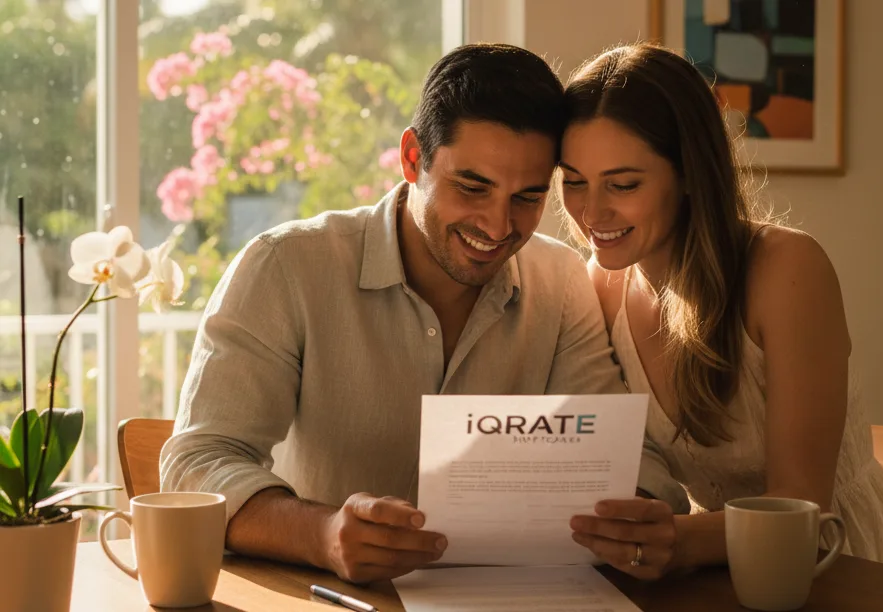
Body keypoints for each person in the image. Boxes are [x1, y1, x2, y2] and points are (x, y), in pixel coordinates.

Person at [161, 43, 681, 585]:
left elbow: (625, 460)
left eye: (527, 197)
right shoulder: (285, 266)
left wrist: (636, 511)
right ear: (413, 158)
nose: (499, 227)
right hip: (328, 597)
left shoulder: (563, 281)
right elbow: (197, 462)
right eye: (471, 187)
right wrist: (323, 535)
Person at [561, 43, 883, 579]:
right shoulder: (600, 287)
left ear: (690, 172)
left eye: (623, 184)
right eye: (573, 180)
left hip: (842, 569)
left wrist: (673, 539)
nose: (591, 212)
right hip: (713, 578)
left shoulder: (787, 270)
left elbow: (804, 509)